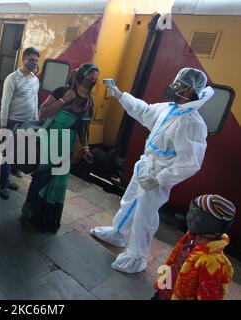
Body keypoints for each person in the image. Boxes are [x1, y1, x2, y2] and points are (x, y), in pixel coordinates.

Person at [90, 68, 214, 273]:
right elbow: (144, 110)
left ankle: (137, 256)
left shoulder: (192, 123)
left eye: (178, 84)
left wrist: (160, 179)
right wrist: (121, 96)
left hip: (158, 174)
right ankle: (117, 232)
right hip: (145, 165)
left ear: (190, 90)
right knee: (129, 201)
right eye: (175, 82)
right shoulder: (169, 108)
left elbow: (190, 162)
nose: (173, 86)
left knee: (144, 215)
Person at [21, 64, 97, 233]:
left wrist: (85, 147)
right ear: (80, 77)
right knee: (42, 177)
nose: (93, 81)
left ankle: (47, 219)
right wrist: (64, 100)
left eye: (95, 78)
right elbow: (43, 113)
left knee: (57, 181)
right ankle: (31, 213)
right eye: (90, 77)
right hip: (49, 139)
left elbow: (84, 128)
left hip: (66, 146)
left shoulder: (89, 102)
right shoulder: (61, 91)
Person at [153, 194, 235, 300]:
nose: (189, 216)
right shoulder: (189, 237)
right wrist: (160, 287)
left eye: (196, 215)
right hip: (163, 294)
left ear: (209, 223)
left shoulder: (212, 262)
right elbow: (172, 261)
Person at [0, 47, 40, 200]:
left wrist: (35, 119)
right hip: (13, 122)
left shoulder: (35, 79)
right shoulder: (12, 78)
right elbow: (5, 102)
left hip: (28, 123)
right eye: (31, 60)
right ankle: (3, 184)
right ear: (23, 60)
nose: (34, 63)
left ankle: (8, 179)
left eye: (36, 60)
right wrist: (3, 125)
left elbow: (35, 100)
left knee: (18, 153)